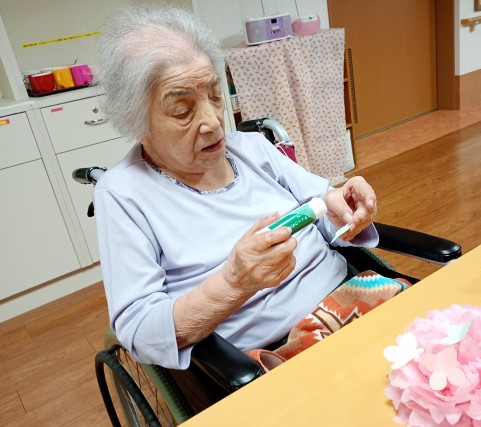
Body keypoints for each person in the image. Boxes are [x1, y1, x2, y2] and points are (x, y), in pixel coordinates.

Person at [94, 5, 382, 370]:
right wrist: (234, 283)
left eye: (215, 96)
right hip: (271, 353)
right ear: (138, 125)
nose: (214, 122)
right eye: (183, 111)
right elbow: (141, 333)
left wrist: (342, 210)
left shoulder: (252, 148)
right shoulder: (122, 195)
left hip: (352, 297)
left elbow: (323, 207)